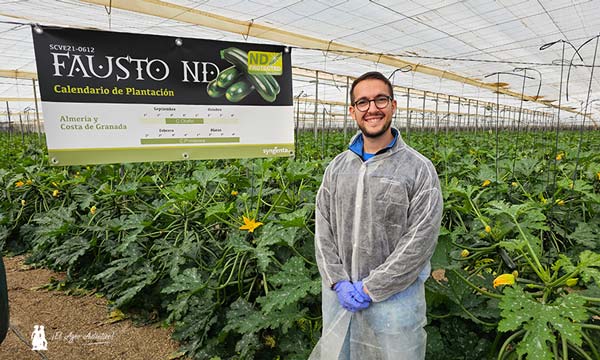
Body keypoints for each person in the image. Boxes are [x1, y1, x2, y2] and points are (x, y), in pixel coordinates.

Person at [309, 71, 443, 360]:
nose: (372, 108)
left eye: (380, 100)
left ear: (393, 105)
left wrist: (372, 287)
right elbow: (323, 229)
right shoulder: (337, 168)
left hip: (395, 305)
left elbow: (420, 240)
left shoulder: (418, 169)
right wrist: (338, 281)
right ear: (353, 111)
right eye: (363, 102)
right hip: (340, 300)